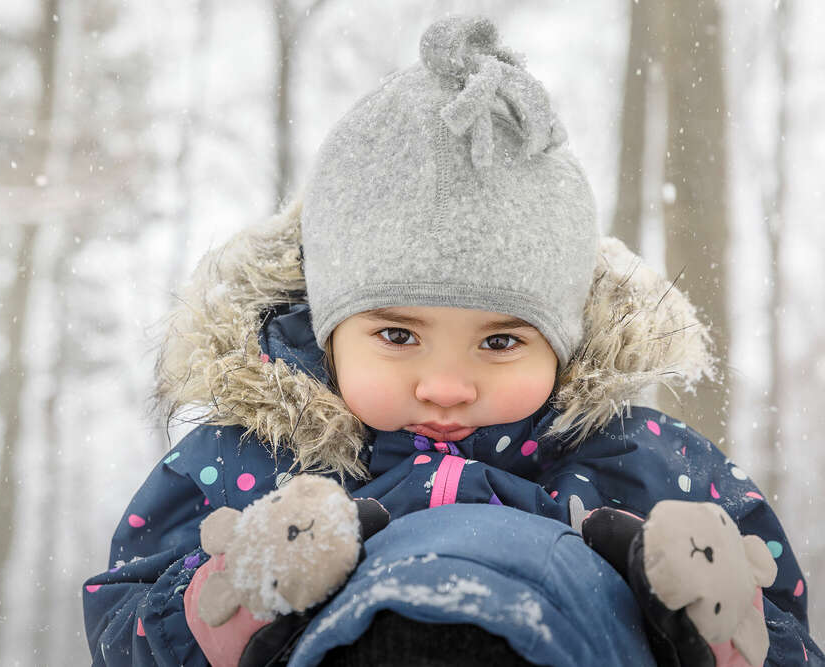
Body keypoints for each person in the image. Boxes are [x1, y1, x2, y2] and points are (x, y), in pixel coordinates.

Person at [82, 15, 821, 667]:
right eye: (399, 334)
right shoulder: (249, 463)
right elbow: (120, 629)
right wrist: (229, 601)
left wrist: (722, 626)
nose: (446, 383)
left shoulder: (638, 464)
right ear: (327, 327)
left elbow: (789, 629)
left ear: (563, 346)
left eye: (500, 341)